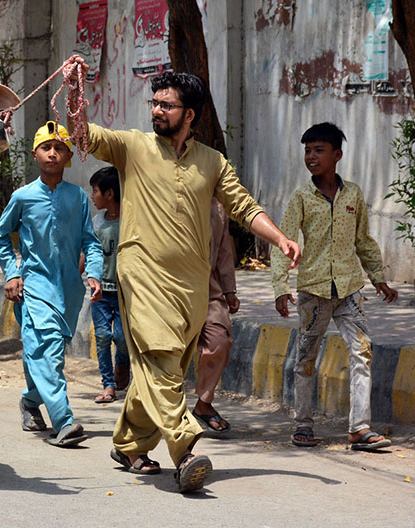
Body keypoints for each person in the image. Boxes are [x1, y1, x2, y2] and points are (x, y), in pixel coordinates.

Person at [66, 58, 300, 491]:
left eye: (167, 105)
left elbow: (244, 207)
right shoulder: (131, 146)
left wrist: (281, 239)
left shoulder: (211, 162)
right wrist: (76, 94)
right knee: (159, 357)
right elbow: (83, 134)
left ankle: (129, 443)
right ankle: (185, 449)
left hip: (192, 286)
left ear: (189, 115)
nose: (156, 111)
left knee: (164, 365)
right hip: (142, 274)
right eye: (154, 103)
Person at [272, 122, 398, 452]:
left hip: (349, 291)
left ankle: (359, 428)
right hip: (313, 292)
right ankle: (302, 424)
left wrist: (378, 278)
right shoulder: (300, 197)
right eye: (307, 151)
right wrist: (280, 286)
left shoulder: (353, 194)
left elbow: (363, 241)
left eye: (319, 150)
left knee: (362, 352)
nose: (311, 157)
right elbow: (283, 241)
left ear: (337, 155)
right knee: (306, 359)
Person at [0, 120, 104, 448]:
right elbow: (1, 234)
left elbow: (91, 242)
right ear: (35, 154)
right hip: (35, 286)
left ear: (68, 156)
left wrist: (94, 273)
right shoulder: (23, 197)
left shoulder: (78, 198)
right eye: (46, 148)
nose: (53, 154)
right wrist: (12, 274)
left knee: (45, 352)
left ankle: (30, 402)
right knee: (47, 349)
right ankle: (63, 419)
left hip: (69, 290)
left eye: (59, 149)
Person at [192, 198, 240, 433]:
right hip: (172, 288)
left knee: (219, 340)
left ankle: (203, 403)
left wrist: (229, 290)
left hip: (208, 288)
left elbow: (223, 252)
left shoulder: (219, 209)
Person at [85, 166, 130, 403]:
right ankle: (108, 385)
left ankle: (122, 363)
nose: (92, 196)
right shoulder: (96, 222)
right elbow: (88, 252)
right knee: (102, 336)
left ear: (109, 194)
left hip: (125, 293)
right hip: (99, 291)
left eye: (95, 191)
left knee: (122, 338)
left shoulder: (132, 222)